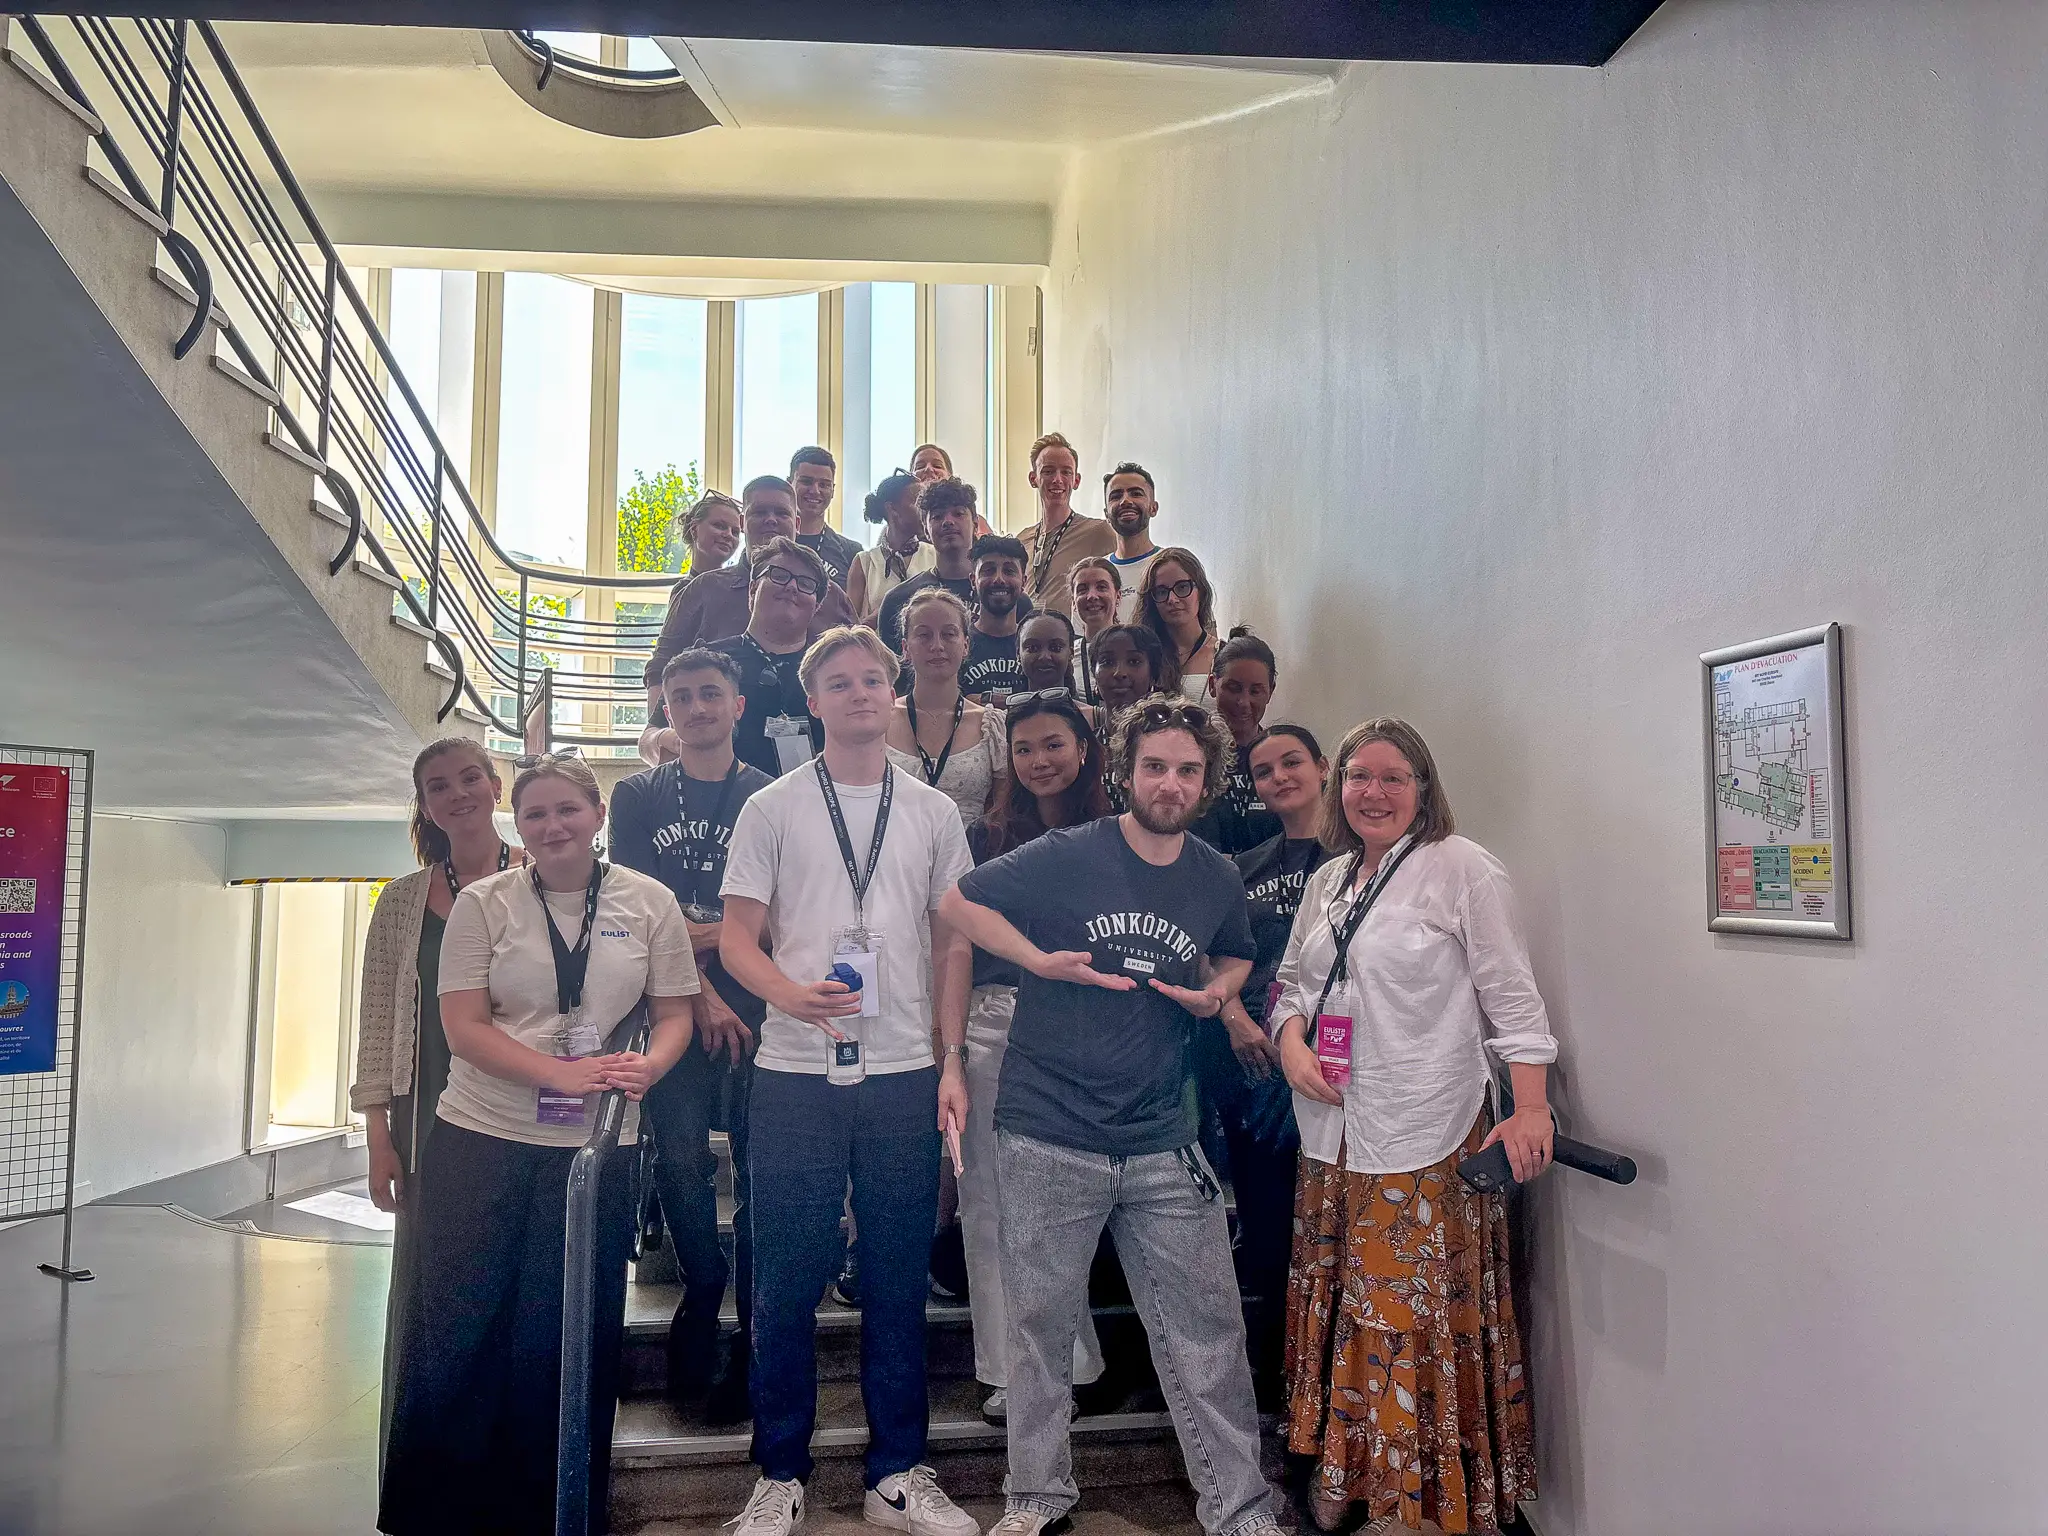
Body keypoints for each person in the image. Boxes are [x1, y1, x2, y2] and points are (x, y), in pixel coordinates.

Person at [939, 698, 1281, 1536]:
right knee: (1038, 1332)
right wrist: (1034, 959)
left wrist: (1218, 994)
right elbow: (957, 903)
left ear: (1208, 782)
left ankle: (1239, 1508)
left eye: (1189, 771)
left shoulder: (1214, 875)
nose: (1171, 784)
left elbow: (1235, 952)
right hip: (1047, 1130)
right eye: (1155, 767)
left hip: (1164, 1139)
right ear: (1125, 771)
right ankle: (1034, 1497)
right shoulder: (1068, 853)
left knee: (1207, 1333)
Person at [379, 755, 698, 1536]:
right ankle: (439, 1514)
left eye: (567, 810)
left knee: (564, 1334)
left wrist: (649, 1067)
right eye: (536, 815)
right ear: (517, 824)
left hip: (592, 1154)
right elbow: (464, 1028)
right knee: (459, 1328)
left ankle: (552, 1512)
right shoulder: (484, 904)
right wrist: (562, 1072)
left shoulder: (647, 901)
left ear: (597, 815)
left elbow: (675, 1014)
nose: (553, 826)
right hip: (478, 1137)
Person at [718, 627, 979, 1536]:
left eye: (874, 678)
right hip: (795, 1072)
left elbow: (953, 944)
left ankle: (895, 1472)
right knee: (786, 1282)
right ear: (813, 701)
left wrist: (951, 1059)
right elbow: (735, 939)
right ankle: (779, 1473)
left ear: (893, 692)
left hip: (903, 1070)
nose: (860, 692)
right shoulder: (774, 806)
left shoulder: (933, 812)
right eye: (840, 681)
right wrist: (790, 995)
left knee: (897, 1280)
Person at [1273, 718, 1556, 1535]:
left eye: (1393, 777)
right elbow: (1292, 982)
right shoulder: (1330, 880)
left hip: (1423, 1131)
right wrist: (1290, 1043)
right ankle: (1347, 1468)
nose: (1373, 792)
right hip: (1332, 1135)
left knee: (1404, 1319)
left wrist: (1531, 1106)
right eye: (1358, 776)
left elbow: (1512, 997)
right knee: (1346, 1306)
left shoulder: (1460, 867)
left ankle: (1416, 1503)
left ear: (1424, 788)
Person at [609, 649, 774, 1419]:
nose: (697, 707)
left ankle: (753, 1330)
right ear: (666, 709)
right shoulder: (636, 795)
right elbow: (637, 909)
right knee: (678, 1160)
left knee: (760, 1169)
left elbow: (779, 910)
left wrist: (701, 937)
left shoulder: (771, 793)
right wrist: (699, 989)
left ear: (737, 706)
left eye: (711, 693)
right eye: (682, 696)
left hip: (763, 1008)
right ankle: (703, 1290)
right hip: (674, 1010)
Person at [355, 738, 527, 1466]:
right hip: (424, 1115)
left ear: (496, 786)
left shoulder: (544, 877)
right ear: (424, 806)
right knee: (433, 1293)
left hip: (521, 1113)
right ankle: (427, 1472)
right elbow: (376, 1022)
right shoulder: (401, 901)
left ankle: (509, 1467)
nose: (457, 794)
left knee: (515, 1285)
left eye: (469, 779)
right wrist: (379, 1139)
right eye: (438, 787)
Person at [957, 693, 1110, 1427]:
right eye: (1023, 749)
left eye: (1053, 744)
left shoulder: (1119, 836)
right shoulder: (986, 838)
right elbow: (955, 943)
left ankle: (1076, 1363)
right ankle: (1012, 1369)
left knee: (1070, 1204)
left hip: (1094, 1030)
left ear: (1084, 748)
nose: (1039, 760)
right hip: (998, 1023)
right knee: (990, 1199)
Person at [1194, 724, 1326, 1404]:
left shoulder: (1362, 860)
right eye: (1264, 770)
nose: (1279, 778)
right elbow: (1203, 952)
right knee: (1271, 1235)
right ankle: (1281, 1384)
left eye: (1292, 762)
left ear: (1324, 767)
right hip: (1254, 1071)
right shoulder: (1242, 867)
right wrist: (1235, 1017)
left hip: (1336, 1077)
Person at [645, 476, 854, 689]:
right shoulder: (702, 590)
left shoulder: (832, 596)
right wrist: (659, 713)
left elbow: (857, 664)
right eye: (760, 512)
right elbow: (660, 670)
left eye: (782, 513)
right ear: (743, 523)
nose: (771, 520)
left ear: (797, 524)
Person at [707, 538, 829, 780]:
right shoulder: (708, 662)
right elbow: (653, 735)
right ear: (753, 589)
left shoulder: (830, 667)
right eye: (780, 575)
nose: (792, 587)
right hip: (727, 799)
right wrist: (666, 739)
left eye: (806, 583)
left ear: (817, 607)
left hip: (813, 799)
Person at [885, 587, 1002, 827]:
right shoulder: (882, 719)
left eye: (948, 634)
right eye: (924, 635)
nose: (937, 645)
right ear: (905, 648)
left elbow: (1001, 814)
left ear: (965, 645)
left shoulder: (991, 726)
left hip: (971, 848)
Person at [1189, 628, 1284, 856]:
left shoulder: (1282, 759)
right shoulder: (1190, 754)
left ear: (1270, 691)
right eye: (1233, 689)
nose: (1243, 702)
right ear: (1212, 685)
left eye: (1256, 691)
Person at [877, 477, 980, 655]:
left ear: (975, 523)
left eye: (958, 513)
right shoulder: (898, 600)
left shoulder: (1005, 594)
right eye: (937, 516)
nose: (948, 522)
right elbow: (891, 669)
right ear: (926, 529)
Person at [1017, 433, 1115, 618]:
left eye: (1066, 472)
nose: (1057, 479)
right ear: (1033, 478)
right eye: (1048, 471)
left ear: (1076, 480)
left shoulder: (1098, 533)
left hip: (1074, 634)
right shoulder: (1022, 540)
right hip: (1027, 633)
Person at [849, 471, 936, 626]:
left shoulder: (935, 556)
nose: (925, 511)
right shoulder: (864, 563)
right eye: (918, 503)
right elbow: (848, 627)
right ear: (892, 509)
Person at [1137, 547, 1219, 700]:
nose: (1172, 599)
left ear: (1200, 591)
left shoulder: (1223, 655)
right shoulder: (1143, 656)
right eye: (1162, 591)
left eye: (1182, 587)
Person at [960, 535, 1029, 702]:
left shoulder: (1036, 645)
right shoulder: (957, 644)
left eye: (1009, 571)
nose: (999, 579)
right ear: (973, 581)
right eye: (988, 570)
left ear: (1024, 582)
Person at [1016, 610, 1104, 735]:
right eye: (1033, 648)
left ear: (1071, 653)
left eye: (1055, 648)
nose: (1044, 656)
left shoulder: (1095, 719)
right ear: (1018, 654)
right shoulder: (1001, 722)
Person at [790, 446, 862, 588]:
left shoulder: (852, 553)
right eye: (806, 481)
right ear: (789, 484)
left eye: (824, 485)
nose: (815, 491)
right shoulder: (770, 545)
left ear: (833, 490)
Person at [1101, 463, 1162, 622]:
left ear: (1153, 508)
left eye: (1136, 493)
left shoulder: (1176, 567)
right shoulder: (1095, 575)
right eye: (1116, 496)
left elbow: (1206, 631)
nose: (1125, 501)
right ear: (1106, 514)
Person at [678, 491, 745, 585]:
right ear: (694, 529)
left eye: (735, 532)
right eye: (719, 526)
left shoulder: (743, 586)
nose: (729, 535)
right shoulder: (683, 591)